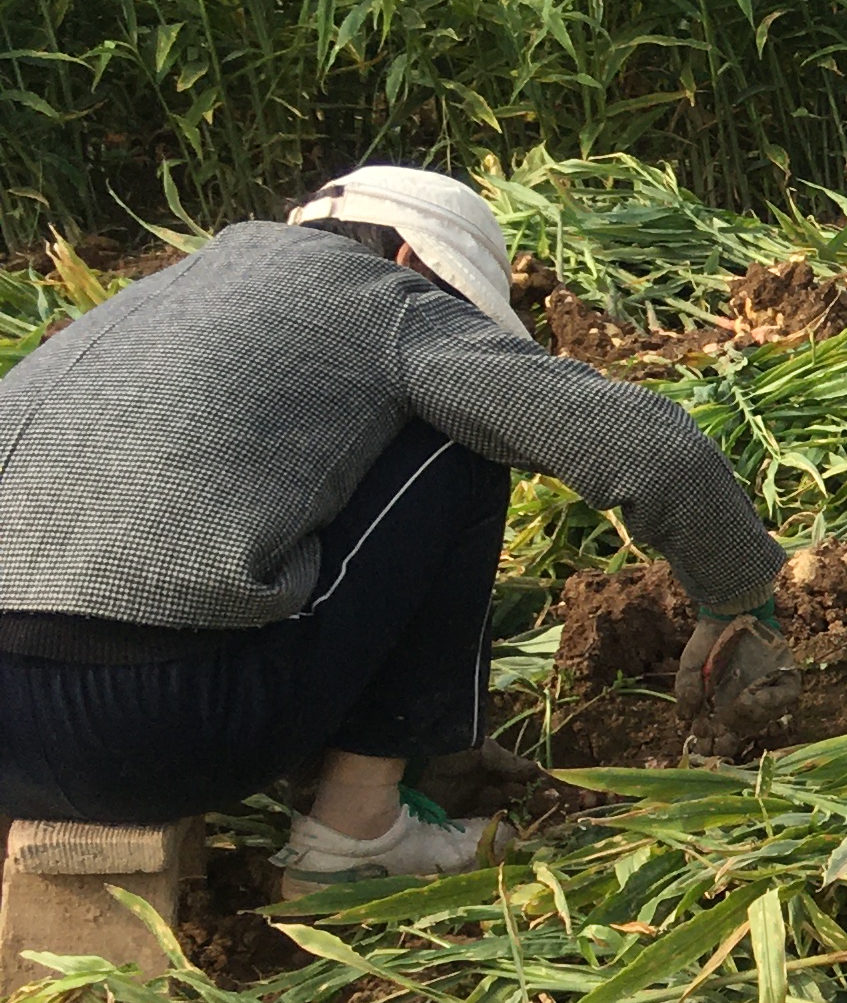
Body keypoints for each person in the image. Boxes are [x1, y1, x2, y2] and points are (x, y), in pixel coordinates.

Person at [0, 165, 793, 894]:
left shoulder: (146, 301)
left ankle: (368, 769)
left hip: (11, 753)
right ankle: (354, 834)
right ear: (412, 258)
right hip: (163, 730)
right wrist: (736, 598)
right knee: (457, 448)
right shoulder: (384, 300)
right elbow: (650, 448)